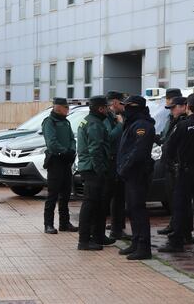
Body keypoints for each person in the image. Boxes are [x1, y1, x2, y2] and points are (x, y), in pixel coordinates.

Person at [158, 94, 194, 253]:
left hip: (185, 170)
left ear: (187, 106)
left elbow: (169, 147)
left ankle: (176, 241)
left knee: (180, 205)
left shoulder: (183, 126)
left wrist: (170, 163)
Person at [117, 96, 155, 260]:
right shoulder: (132, 123)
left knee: (138, 209)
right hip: (130, 174)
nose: (125, 109)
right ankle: (136, 241)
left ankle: (143, 247)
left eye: (128, 107)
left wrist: (125, 167)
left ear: (135, 107)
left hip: (137, 173)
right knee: (132, 209)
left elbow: (138, 152)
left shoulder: (142, 125)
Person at [157, 96, 194, 243]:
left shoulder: (184, 122)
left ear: (183, 106)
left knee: (182, 201)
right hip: (171, 165)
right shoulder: (174, 120)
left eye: (173, 108)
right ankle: (175, 225)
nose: (171, 111)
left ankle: (184, 232)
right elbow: (167, 139)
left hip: (179, 166)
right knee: (173, 200)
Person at [77, 95, 110, 250]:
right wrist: (100, 169)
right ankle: (84, 240)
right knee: (90, 204)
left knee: (97, 204)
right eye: (107, 107)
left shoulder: (89, 120)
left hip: (89, 167)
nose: (109, 109)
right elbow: (95, 149)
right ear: (101, 108)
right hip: (92, 169)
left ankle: (97, 236)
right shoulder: (95, 124)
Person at [42, 98, 78, 234]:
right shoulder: (49, 122)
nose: (68, 110)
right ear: (58, 108)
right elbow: (51, 142)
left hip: (66, 161)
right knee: (53, 194)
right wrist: (64, 151)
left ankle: (64, 223)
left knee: (66, 193)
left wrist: (71, 150)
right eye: (66, 107)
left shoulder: (66, 122)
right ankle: (48, 224)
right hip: (55, 161)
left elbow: (71, 139)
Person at [103, 91, 130, 240]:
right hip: (110, 161)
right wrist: (120, 125)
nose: (123, 105)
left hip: (119, 160)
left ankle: (118, 228)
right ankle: (109, 231)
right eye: (121, 102)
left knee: (119, 197)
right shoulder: (107, 118)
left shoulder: (117, 116)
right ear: (114, 102)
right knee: (109, 197)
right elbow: (109, 137)